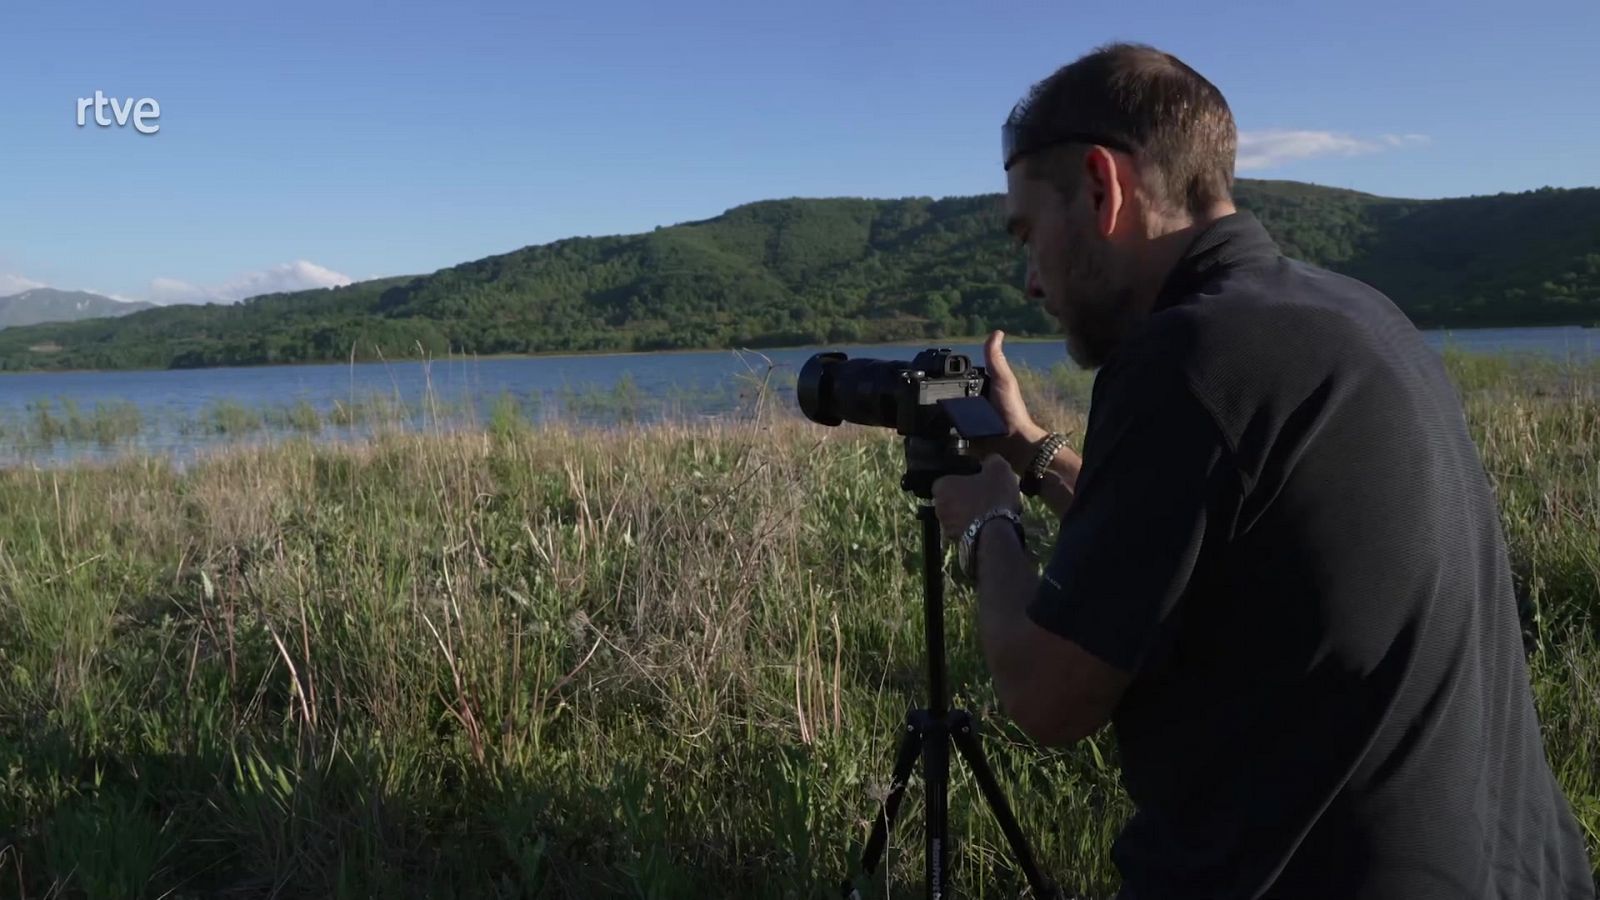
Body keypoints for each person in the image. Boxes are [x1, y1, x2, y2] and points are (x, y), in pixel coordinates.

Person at [930, 42, 1596, 899]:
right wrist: (1025, 448)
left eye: (1028, 231)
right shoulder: (1345, 313)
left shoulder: (1191, 356)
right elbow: (1189, 536)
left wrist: (990, 524)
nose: (1029, 278)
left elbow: (1047, 696)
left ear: (1102, 188)